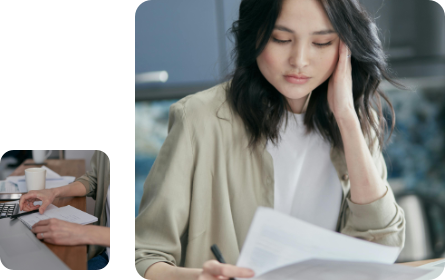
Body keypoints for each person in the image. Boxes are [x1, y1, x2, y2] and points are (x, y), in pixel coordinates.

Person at [136, 0, 410, 279]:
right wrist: (199, 278)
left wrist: (347, 119)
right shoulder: (199, 120)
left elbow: (383, 245)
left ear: (345, 47)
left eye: (322, 42)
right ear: (254, 36)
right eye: (281, 39)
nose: (299, 60)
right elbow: (144, 256)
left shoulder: (357, 122)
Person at [19, 150, 110, 270]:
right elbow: (94, 180)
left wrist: (83, 232)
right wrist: (53, 192)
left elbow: (142, 239)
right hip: (105, 252)